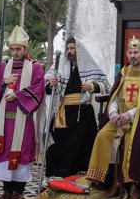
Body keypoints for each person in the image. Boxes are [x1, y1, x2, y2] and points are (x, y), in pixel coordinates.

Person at [86, 36, 140, 199]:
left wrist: (129, 114)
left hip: (139, 119)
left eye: (136, 52)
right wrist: (113, 113)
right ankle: (107, 179)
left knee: (133, 139)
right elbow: (114, 96)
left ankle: (133, 183)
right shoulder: (124, 72)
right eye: (130, 52)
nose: (132, 56)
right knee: (102, 136)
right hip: (118, 117)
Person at [0, 26, 45, 199]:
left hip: (23, 119)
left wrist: (18, 95)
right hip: (4, 121)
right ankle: (6, 190)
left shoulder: (35, 67)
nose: (15, 52)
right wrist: (4, 82)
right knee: (4, 154)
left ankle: (19, 191)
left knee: (21, 154)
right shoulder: (4, 66)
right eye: (12, 49)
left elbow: (38, 88)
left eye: (18, 49)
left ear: (25, 49)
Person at [44, 36, 110, 177]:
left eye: (73, 48)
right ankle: (59, 174)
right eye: (68, 48)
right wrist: (52, 84)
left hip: (83, 112)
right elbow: (46, 87)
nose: (70, 51)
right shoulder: (59, 65)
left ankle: (80, 175)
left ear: (79, 50)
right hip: (63, 112)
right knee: (61, 144)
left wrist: (92, 85)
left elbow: (106, 86)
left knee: (82, 144)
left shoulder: (90, 66)